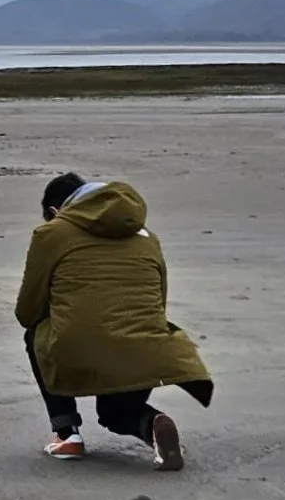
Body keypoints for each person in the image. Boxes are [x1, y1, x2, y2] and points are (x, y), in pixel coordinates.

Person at [16, 172, 213, 470]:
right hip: (146, 345)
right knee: (116, 414)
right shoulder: (147, 236)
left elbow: (28, 310)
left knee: (34, 334)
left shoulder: (52, 234)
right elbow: (158, 298)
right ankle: (156, 424)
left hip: (79, 343)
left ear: (56, 211)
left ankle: (67, 433)